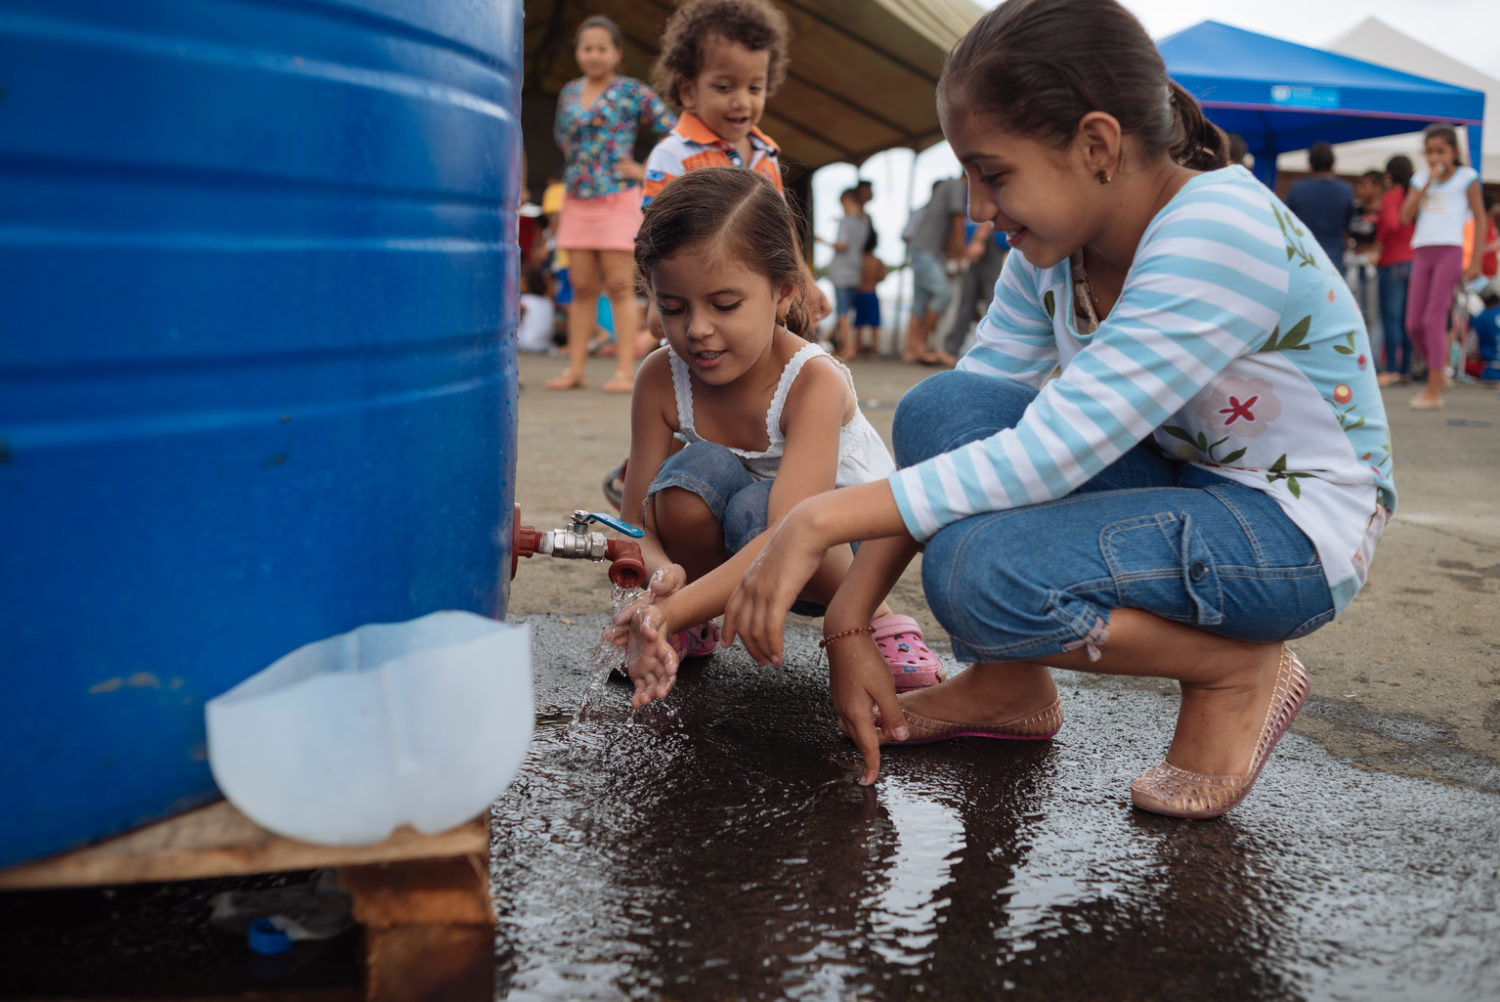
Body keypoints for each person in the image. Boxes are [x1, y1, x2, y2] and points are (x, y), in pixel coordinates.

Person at [722, 0, 1394, 821]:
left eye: (994, 174)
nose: (976, 208)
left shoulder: (1216, 229)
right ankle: (1010, 687)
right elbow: (959, 447)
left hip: (1295, 533)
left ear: (1098, 146)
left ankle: (1233, 670)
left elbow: (1050, 454)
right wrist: (848, 624)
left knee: (981, 574)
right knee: (944, 405)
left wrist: (817, 522)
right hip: (1194, 489)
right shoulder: (1053, 252)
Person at [605, 168, 944, 708]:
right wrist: (662, 584)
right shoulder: (659, 377)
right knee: (687, 483)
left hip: (845, 556)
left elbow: (791, 532)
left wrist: (664, 614)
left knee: (757, 508)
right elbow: (633, 524)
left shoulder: (812, 380)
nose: (696, 329)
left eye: (724, 304)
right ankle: (698, 615)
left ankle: (876, 623)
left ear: (784, 291)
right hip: (745, 546)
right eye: (673, 307)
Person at [640, 0, 830, 324]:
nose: (742, 101)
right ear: (688, 90)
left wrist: (804, 279)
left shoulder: (766, 153)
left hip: (756, 296)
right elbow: (654, 236)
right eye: (724, 87)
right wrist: (658, 298)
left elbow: (781, 226)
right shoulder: (674, 154)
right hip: (696, 299)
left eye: (755, 87)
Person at [547, 15, 676, 393]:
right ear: (578, 53)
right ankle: (575, 370)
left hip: (619, 195)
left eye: (602, 48)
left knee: (620, 286)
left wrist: (644, 169)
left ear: (616, 53)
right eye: (587, 48)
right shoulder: (569, 92)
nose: (594, 55)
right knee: (581, 284)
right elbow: (562, 138)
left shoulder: (632, 91)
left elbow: (671, 126)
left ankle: (624, 371)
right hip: (577, 196)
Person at [1401, 124, 1487, 409]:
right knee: (1413, 323)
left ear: (1454, 152)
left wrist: (1474, 261)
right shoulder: (1420, 178)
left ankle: (1433, 391)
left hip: (1450, 250)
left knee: (1434, 319)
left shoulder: (1467, 177)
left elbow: (1481, 218)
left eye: (1441, 151)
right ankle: (1441, 373)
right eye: (1430, 151)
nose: (1435, 157)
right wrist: (1426, 183)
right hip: (1422, 250)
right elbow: (1405, 216)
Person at [901, 177, 965, 365]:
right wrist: (960, 252)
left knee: (920, 302)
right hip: (926, 252)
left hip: (923, 251)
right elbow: (957, 219)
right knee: (943, 295)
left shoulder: (934, 200)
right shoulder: (956, 185)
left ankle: (911, 349)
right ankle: (921, 345)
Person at [940, 217, 1009, 358]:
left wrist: (979, 240)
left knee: (990, 300)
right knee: (972, 301)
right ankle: (953, 349)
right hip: (980, 242)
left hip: (986, 241)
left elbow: (988, 211)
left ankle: (999, 349)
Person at [1375, 155, 1416, 386]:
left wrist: (1379, 245)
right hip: (1414, 261)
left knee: (1390, 318)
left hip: (1393, 262)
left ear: (1389, 174)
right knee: (1407, 319)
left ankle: (1392, 368)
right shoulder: (1414, 195)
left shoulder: (1391, 196)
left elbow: (1391, 224)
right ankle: (1406, 368)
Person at [1284, 142, 1354, 269]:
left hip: (1304, 249)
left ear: (1310, 165)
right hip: (1335, 250)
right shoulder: (1346, 190)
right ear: (1332, 164)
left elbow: (1287, 221)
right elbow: (1348, 224)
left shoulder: (1297, 189)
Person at [823, 188, 870, 359]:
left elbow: (842, 244)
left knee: (842, 312)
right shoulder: (864, 221)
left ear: (847, 201)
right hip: (855, 269)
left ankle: (849, 349)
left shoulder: (846, 221)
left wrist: (824, 242)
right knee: (848, 310)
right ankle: (841, 343)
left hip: (841, 270)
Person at [852, 227, 887, 357]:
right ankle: (873, 350)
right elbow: (882, 276)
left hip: (859, 293)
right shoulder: (877, 261)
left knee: (859, 323)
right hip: (871, 293)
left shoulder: (858, 260)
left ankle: (859, 347)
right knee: (874, 324)